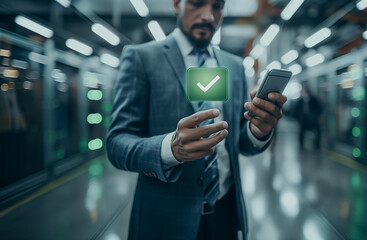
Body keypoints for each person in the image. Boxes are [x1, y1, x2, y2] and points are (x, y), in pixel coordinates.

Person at [106, 0, 287, 239]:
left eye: (217, 7)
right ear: (176, 4)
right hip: (164, 220)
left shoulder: (234, 67)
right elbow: (117, 143)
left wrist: (258, 131)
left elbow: (239, 143)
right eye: (197, 3)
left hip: (225, 214)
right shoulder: (142, 59)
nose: (208, 16)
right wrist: (169, 149)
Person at [294, 85, 322, 149]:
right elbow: (296, 110)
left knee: (318, 130)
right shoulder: (300, 101)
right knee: (301, 132)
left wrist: (316, 115)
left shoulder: (314, 100)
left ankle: (317, 144)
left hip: (312, 119)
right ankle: (301, 145)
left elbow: (318, 108)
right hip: (303, 119)